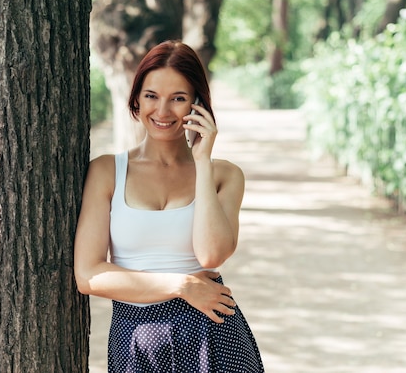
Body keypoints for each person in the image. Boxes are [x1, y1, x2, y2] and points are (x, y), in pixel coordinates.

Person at [74, 40, 264, 372]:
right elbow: (89, 276)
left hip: (213, 332)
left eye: (178, 98)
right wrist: (181, 285)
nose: (162, 112)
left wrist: (202, 162)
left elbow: (211, 256)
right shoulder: (106, 171)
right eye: (151, 96)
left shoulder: (225, 175)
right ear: (136, 99)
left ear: (198, 105)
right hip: (137, 338)